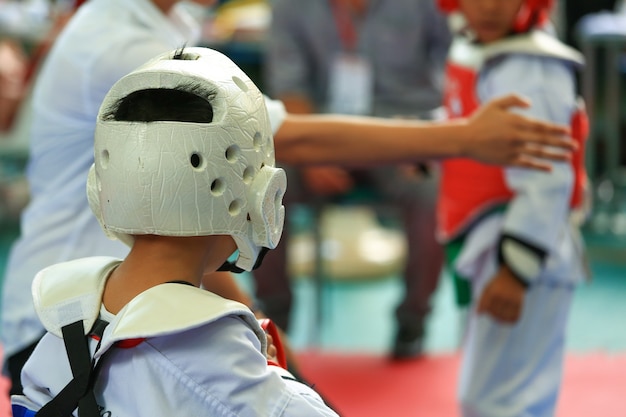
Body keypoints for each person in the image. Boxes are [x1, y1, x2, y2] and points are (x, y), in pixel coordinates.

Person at [0, 0, 576, 397]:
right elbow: (284, 138)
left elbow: (185, 219)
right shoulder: (119, 45)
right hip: (78, 325)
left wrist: (262, 332)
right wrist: (463, 137)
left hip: (120, 295)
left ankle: (402, 323)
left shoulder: (156, 21)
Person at [10, 46, 340, 417]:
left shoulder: (58, 331)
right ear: (258, 194)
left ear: (104, 185)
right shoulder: (224, 364)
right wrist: (283, 380)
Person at [261, 0, 451, 358]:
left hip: (402, 134)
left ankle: (413, 322)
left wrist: (428, 134)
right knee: (266, 181)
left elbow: (455, 66)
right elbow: (288, 83)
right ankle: (273, 318)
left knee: (430, 190)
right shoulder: (290, 7)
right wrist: (312, 153)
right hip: (322, 131)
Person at [435, 0, 589, 415]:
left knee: (502, 401)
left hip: (522, 254)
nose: (488, 5)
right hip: (494, 245)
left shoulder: (531, 69)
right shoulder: (485, 51)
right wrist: (427, 145)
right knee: (493, 396)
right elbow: (469, 118)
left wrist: (516, 271)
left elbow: (547, 177)